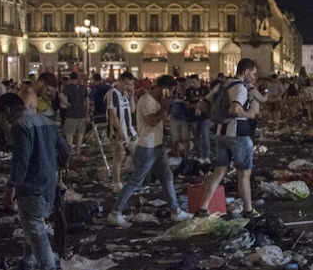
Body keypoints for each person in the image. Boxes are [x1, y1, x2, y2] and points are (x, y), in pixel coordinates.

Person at [0, 92, 71, 270]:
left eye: (3, 115)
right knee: (34, 225)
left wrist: (11, 187)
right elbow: (65, 150)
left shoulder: (19, 126)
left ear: (7, 110)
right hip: (49, 184)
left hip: (31, 186)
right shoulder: (46, 121)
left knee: (35, 228)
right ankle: (26, 265)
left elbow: (20, 161)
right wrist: (61, 164)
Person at [107, 75, 194, 227]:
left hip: (157, 147)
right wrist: (165, 108)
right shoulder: (147, 100)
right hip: (147, 147)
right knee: (135, 181)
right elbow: (152, 121)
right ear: (163, 87)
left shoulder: (157, 101)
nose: (170, 94)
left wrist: (165, 107)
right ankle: (115, 212)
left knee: (167, 177)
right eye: (170, 90)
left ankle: (176, 211)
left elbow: (163, 120)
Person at [195, 59, 262, 218]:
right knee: (244, 174)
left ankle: (203, 209)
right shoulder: (240, 87)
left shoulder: (222, 85)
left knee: (219, 171)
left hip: (220, 133)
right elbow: (235, 108)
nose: (254, 77)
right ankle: (248, 210)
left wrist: (216, 118)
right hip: (238, 133)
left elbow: (202, 104)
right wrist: (249, 115)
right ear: (245, 72)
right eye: (252, 74)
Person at [105, 72, 137, 190]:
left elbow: (133, 110)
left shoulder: (126, 94)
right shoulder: (112, 93)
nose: (128, 87)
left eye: (131, 84)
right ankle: (117, 183)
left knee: (137, 155)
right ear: (120, 81)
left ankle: (131, 178)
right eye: (127, 84)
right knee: (119, 157)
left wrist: (132, 95)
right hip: (118, 132)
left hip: (130, 131)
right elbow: (113, 115)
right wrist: (120, 131)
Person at [59, 72, 90, 157]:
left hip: (71, 113)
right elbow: (87, 101)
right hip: (82, 113)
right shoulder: (83, 88)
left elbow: (60, 95)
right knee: (80, 132)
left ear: (70, 79)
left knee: (69, 132)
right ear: (77, 79)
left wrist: (67, 103)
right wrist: (86, 112)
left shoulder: (68, 87)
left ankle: (71, 150)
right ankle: (78, 149)